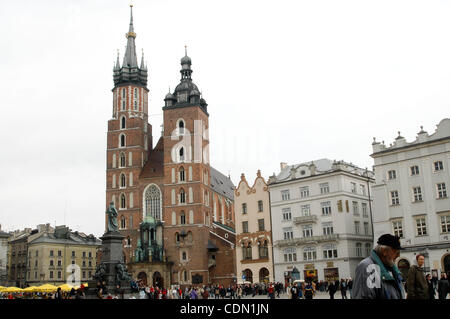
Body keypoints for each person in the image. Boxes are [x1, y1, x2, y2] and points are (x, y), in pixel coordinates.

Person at [352, 234, 405, 299]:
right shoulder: (368, 267)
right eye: (395, 251)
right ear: (384, 251)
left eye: (399, 252)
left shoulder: (391, 269)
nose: (398, 255)